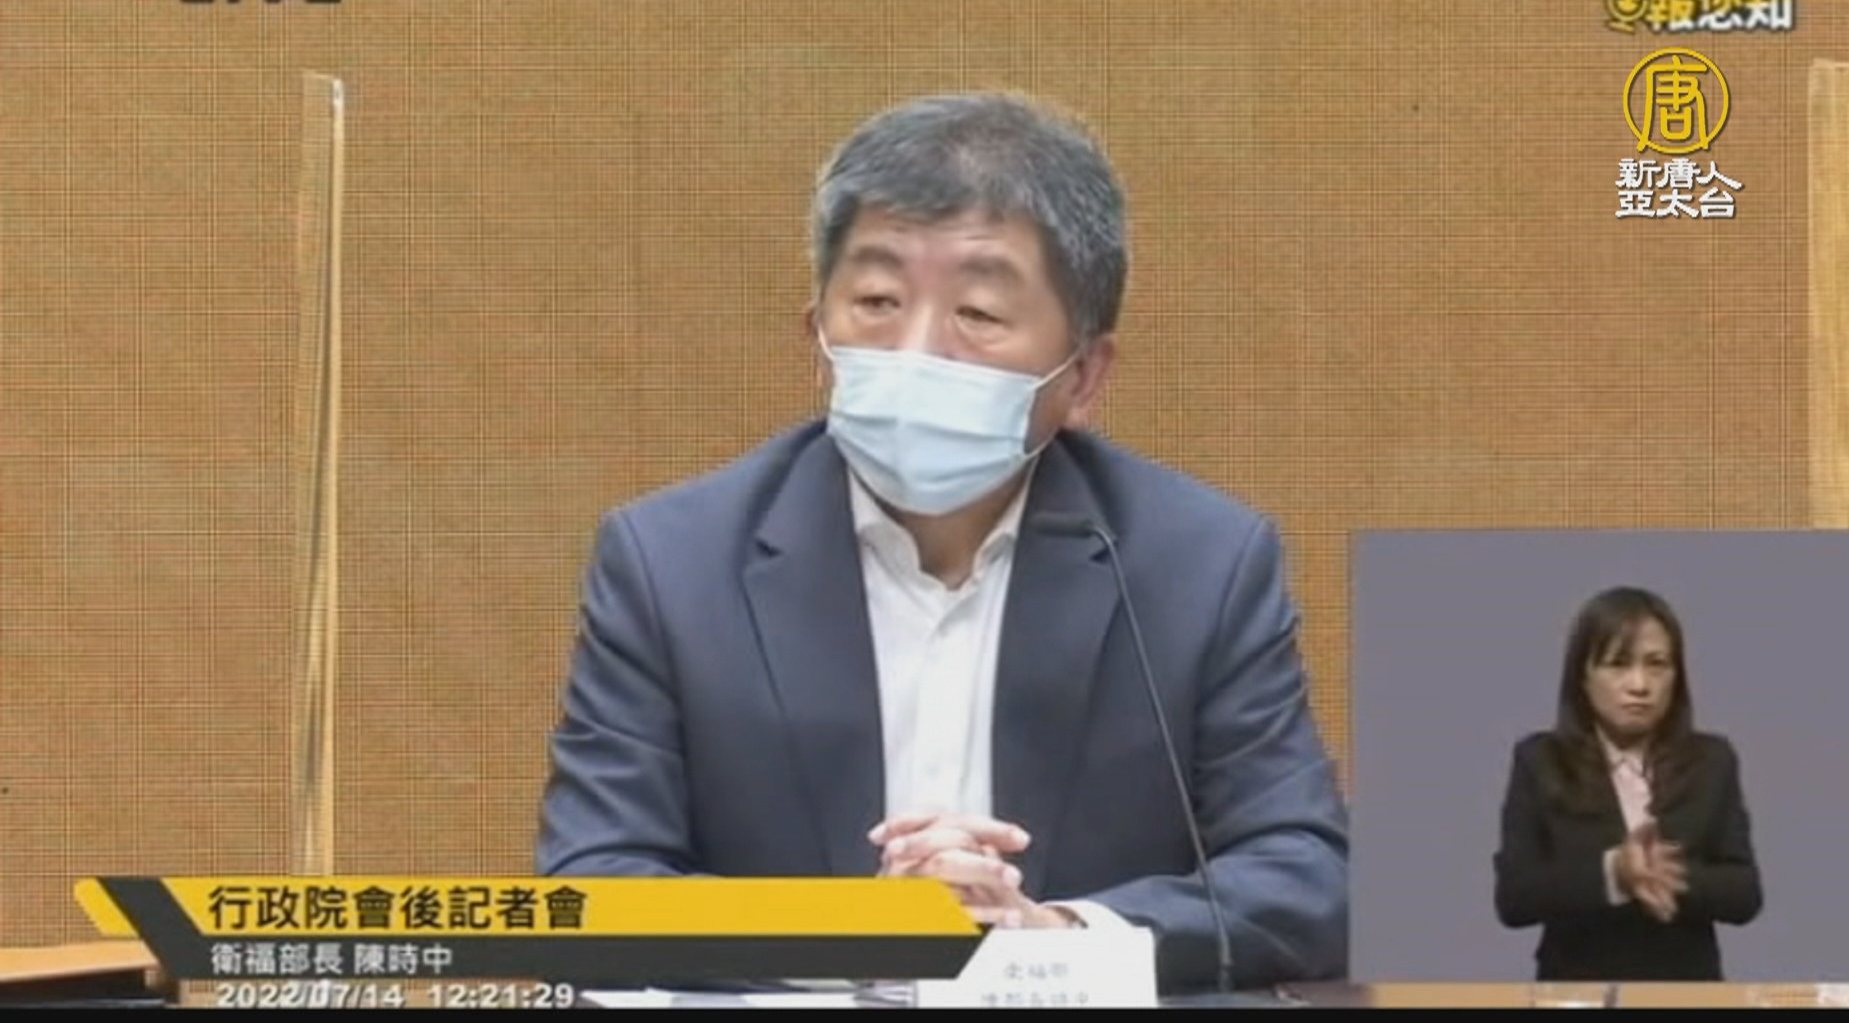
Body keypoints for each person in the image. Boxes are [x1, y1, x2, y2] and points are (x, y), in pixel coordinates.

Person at [534, 91, 1349, 992]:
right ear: (819, 337)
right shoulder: (671, 564)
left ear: (1082, 376)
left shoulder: (1198, 562)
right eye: (878, 301)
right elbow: (593, 889)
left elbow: (1308, 881)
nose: (916, 350)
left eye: (979, 314)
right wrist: (858, 932)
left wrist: (1055, 940)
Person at [1493, 585, 1762, 981]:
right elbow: (1515, 896)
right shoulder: (1541, 760)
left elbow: (1744, 893)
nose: (1640, 684)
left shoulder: (1712, 760)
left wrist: (1661, 874)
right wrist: (1615, 873)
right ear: (1582, 677)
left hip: (1686, 988)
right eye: (1618, 664)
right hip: (1579, 988)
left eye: (1657, 664)